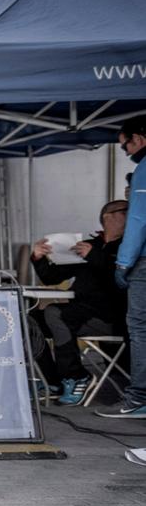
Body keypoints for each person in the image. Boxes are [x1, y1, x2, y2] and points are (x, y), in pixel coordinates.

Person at [29, 200, 127, 405]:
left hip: (110, 316)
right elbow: (52, 278)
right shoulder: (92, 245)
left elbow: (122, 276)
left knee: (56, 312)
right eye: (125, 211)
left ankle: (76, 376)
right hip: (80, 313)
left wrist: (94, 256)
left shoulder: (128, 247)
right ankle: (51, 381)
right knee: (29, 321)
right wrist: (38, 257)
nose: (131, 215)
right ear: (107, 217)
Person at [107, 116, 146, 418]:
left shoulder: (144, 170)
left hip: (143, 262)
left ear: (139, 139)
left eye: (125, 146)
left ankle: (139, 397)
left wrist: (123, 261)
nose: (126, 153)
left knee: (140, 328)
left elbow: (137, 219)